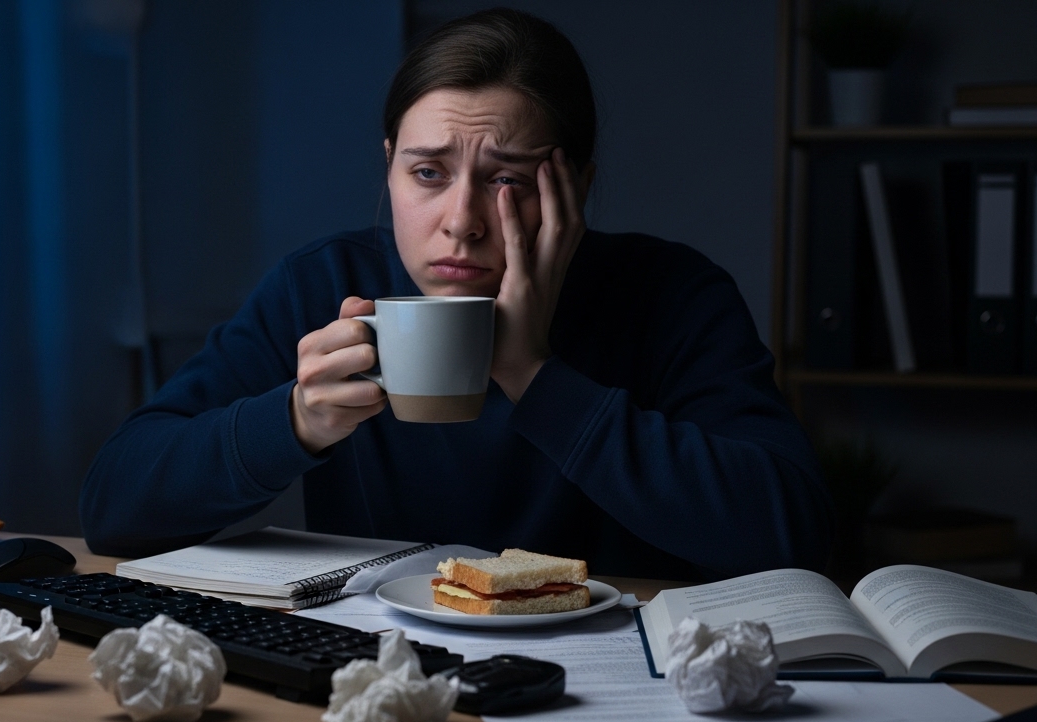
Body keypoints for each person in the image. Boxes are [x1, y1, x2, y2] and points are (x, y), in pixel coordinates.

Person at [80, 8, 831, 581]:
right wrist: (296, 420)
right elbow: (114, 506)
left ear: (577, 187)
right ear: (389, 169)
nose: (463, 223)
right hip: (381, 677)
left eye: (508, 178)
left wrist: (535, 377)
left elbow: (795, 530)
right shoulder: (324, 285)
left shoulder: (672, 296)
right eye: (428, 173)